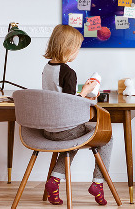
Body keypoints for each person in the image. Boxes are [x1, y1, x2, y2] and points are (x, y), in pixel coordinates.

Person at [42, 24, 112, 206]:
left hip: (48, 129)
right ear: (68, 48)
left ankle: (54, 181)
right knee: (107, 137)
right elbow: (69, 104)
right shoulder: (68, 72)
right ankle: (98, 183)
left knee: (73, 140)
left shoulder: (47, 68)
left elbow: (59, 97)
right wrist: (86, 92)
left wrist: (81, 92)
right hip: (64, 129)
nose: (77, 52)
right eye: (77, 48)